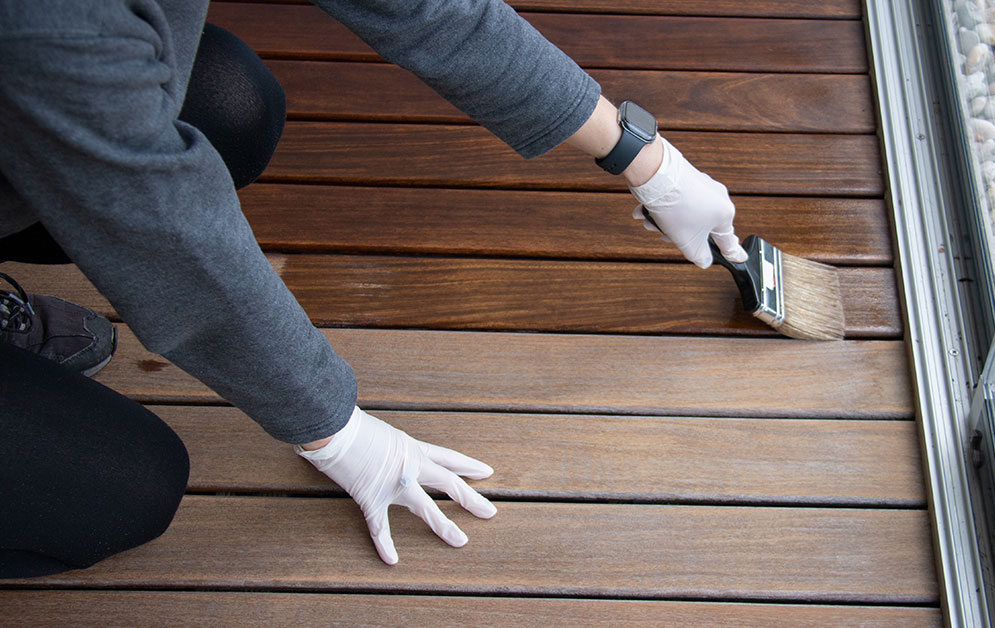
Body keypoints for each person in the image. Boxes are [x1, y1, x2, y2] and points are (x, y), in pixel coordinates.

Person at [0, 0, 748, 576]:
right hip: (41, 58)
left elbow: (422, 9)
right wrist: (335, 429)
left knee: (229, 102)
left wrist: (644, 159)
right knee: (121, 489)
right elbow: (163, 230)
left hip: (40, 87)